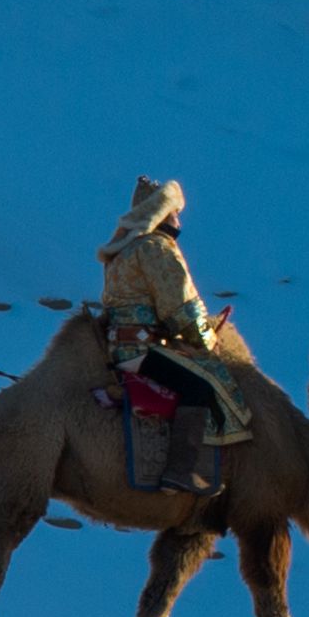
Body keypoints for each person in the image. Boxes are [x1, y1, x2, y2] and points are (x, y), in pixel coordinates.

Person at [95, 177, 248, 494]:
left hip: (121, 348)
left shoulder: (122, 252)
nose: (179, 219)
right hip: (143, 351)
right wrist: (208, 341)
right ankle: (180, 471)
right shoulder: (156, 249)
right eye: (175, 211)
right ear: (161, 213)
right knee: (201, 386)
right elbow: (182, 308)